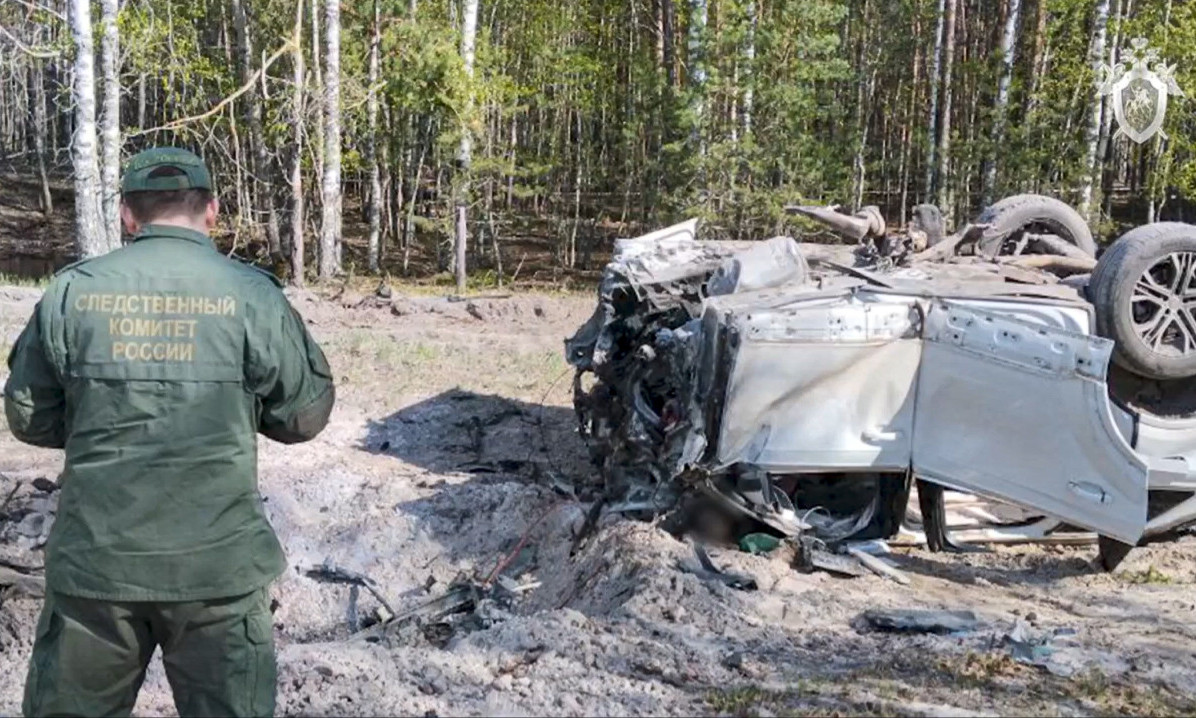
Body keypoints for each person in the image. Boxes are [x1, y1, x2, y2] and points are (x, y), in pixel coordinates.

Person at [3, 147, 335, 717]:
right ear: (212, 210)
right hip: (217, 572)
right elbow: (304, 415)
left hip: (97, 569)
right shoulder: (250, 295)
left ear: (127, 216)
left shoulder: (72, 293)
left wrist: (96, 419)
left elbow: (29, 416)